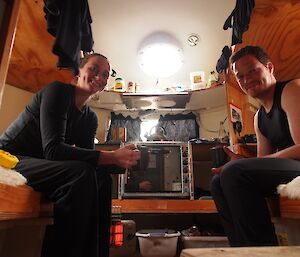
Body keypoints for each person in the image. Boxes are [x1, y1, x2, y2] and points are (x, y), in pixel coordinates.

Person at [0, 53, 141, 257]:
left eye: (105, 75)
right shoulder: (57, 92)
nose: (99, 77)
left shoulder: (90, 118)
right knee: (79, 173)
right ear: (79, 70)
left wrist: (123, 161)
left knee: (101, 179)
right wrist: (112, 156)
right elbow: (54, 150)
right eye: (94, 69)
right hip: (9, 158)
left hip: (41, 165)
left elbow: (88, 161)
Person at [210, 45, 300, 247]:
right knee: (218, 184)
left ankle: (261, 251)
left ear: (269, 68)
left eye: (253, 70)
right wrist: (240, 162)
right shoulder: (259, 117)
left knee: (234, 172)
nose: (246, 79)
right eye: (240, 76)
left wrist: (241, 167)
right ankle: (242, 249)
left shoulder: (291, 90)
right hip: (289, 168)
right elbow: (261, 164)